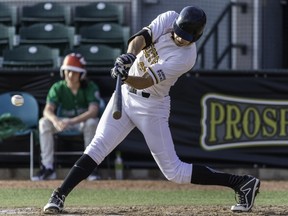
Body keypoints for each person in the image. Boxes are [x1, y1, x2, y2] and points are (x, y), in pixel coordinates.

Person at [43, 6, 260, 214]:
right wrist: (128, 57)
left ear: (196, 38)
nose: (180, 38)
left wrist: (125, 75)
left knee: (174, 172)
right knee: (98, 146)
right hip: (126, 96)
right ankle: (59, 195)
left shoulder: (186, 58)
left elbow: (146, 81)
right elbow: (140, 39)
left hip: (152, 106)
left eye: (187, 37)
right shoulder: (168, 18)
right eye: (179, 32)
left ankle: (241, 183)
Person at [32, 53, 102, 181]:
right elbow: (47, 110)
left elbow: (93, 111)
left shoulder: (90, 87)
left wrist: (72, 121)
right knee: (44, 122)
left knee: (92, 122)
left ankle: (90, 168)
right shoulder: (58, 87)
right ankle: (48, 167)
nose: (70, 75)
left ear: (82, 74)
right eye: (67, 71)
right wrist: (55, 120)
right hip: (62, 122)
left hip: (81, 122)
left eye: (75, 72)